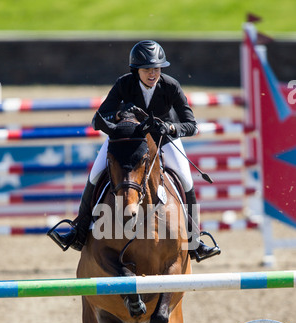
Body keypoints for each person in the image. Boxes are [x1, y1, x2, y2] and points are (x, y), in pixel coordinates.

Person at [48, 40, 220, 261]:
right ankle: (79, 231)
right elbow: (97, 119)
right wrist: (119, 115)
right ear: (136, 70)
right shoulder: (124, 84)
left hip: (163, 140)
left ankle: (195, 240)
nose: (152, 73)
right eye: (147, 69)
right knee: (95, 174)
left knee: (186, 180)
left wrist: (169, 127)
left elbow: (191, 125)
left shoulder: (170, 86)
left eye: (156, 68)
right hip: (126, 141)